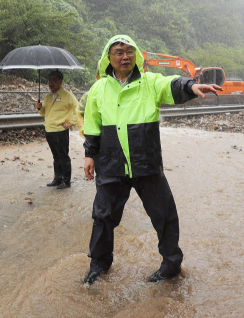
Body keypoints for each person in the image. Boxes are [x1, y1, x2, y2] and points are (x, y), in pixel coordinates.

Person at [82, 35, 222, 285]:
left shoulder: (149, 82)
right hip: (111, 164)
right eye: (118, 52)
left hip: (146, 162)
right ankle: (99, 265)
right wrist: (89, 155)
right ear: (108, 58)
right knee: (102, 216)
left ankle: (171, 265)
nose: (125, 56)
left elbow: (171, 84)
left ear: (136, 55)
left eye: (129, 51)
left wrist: (190, 86)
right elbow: (92, 125)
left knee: (164, 214)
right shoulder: (98, 90)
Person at [35, 70, 79, 189]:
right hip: (50, 130)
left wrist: (72, 122)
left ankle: (66, 180)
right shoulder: (48, 96)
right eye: (50, 80)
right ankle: (57, 178)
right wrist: (39, 108)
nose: (51, 82)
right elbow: (44, 112)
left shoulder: (67, 96)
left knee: (63, 155)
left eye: (54, 80)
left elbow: (78, 108)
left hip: (60, 130)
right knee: (55, 155)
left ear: (61, 81)